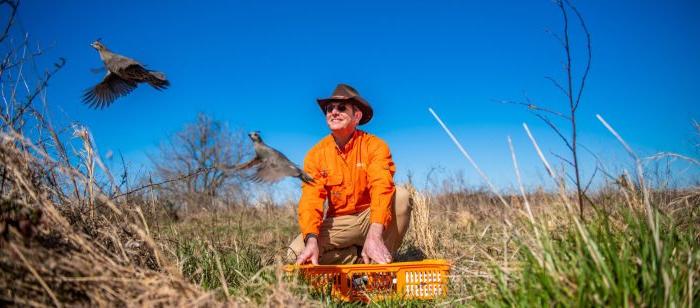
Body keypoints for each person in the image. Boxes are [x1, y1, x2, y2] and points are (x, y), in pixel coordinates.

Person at [288, 83, 412, 265]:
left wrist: (375, 231)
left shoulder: (375, 146)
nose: (333, 112)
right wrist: (312, 239)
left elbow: (381, 185)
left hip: (371, 217)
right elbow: (310, 199)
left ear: (357, 116)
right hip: (339, 222)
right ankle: (357, 257)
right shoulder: (315, 155)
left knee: (401, 196)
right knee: (294, 254)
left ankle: (382, 260)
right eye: (329, 109)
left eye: (341, 108)